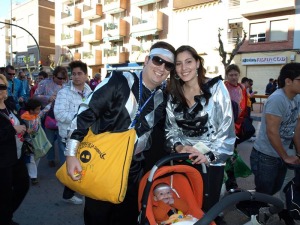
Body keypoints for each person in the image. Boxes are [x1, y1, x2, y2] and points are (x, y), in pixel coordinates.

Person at [64, 41, 176, 225]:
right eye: (157, 60)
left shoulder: (161, 98)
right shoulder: (119, 81)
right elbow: (85, 113)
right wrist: (70, 154)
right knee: (98, 217)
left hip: (133, 170)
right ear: (147, 60)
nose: (162, 68)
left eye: (168, 65)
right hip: (102, 164)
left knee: (127, 218)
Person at [165, 45, 235, 224]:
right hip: (184, 161)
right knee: (185, 209)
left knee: (208, 210)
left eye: (188, 62)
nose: (184, 68)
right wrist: (179, 147)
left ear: (197, 63)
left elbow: (226, 131)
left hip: (212, 162)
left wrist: (208, 156)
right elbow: (170, 130)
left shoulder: (217, 88)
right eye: (179, 64)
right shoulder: (173, 95)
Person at [250, 63, 300, 225]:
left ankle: (275, 211)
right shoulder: (277, 99)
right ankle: (255, 218)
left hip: (281, 154)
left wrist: (298, 153)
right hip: (266, 155)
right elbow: (272, 132)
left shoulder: (297, 98)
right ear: (288, 81)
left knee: (277, 189)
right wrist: (285, 156)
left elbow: (297, 129)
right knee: (264, 193)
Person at [54, 60, 92, 205]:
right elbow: (59, 114)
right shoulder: (64, 93)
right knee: (70, 166)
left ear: (86, 75)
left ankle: (71, 191)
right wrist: (81, 118)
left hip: (85, 136)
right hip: (68, 137)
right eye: (74, 74)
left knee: (80, 164)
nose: (76, 77)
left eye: (79, 73)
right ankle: (69, 193)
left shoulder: (90, 92)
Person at [0, 74, 29, 225]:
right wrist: (13, 129)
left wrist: (25, 126)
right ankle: (5, 219)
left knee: (23, 185)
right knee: (4, 194)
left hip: (17, 155)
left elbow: (18, 119)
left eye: (2, 86)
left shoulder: (9, 104)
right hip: (3, 160)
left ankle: (5, 215)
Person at [224, 65, 253, 192]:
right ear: (227, 75)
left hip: (238, 127)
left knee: (232, 156)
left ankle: (231, 183)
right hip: (225, 128)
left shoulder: (242, 88)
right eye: (231, 75)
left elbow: (246, 107)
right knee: (226, 155)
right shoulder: (222, 87)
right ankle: (228, 182)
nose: (234, 77)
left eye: (236, 74)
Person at [34, 66, 68, 167]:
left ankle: (64, 164)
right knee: (50, 140)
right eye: (59, 78)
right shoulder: (44, 83)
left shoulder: (67, 85)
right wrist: (48, 98)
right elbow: (35, 96)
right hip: (48, 115)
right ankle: (50, 158)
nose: (61, 81)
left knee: (62, 141)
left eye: (64, 78)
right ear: (53, 76)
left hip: (63, 116)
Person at [20, 98, 43, 185]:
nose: (39, 110)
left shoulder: (37, 116)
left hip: (36, 141)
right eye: (37, 109)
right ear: (31, 110)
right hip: (28, 142)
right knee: (31, 159)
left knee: (37, 157)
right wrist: (26, 130)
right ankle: (33, 176)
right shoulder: (23, 118)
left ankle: (32, 172)